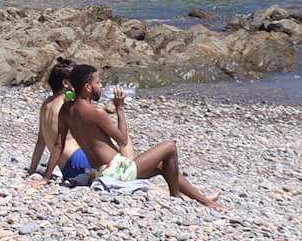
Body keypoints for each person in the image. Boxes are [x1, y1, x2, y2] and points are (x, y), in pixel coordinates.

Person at [54, 63, 224, 209]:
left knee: (162, 165)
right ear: (88, 87)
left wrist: (46, 178)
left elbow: (58, 145)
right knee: (170, 146)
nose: (102, 86)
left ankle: (198, 199)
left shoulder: (67, 110)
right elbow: (122, 140)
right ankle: (184, 198)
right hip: (116, 171)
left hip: (98, 172)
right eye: (98, 82)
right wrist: (120, 108)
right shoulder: (96, 113)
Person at [25, 58, 85, 182]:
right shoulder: (68, 104)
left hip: (66, 169)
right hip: (78, 159)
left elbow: (41, 142)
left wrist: (31, 170)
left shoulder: (46, 104)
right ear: (66, 83)